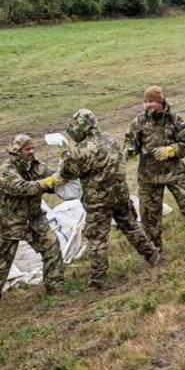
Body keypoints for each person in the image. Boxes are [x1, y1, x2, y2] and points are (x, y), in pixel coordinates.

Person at [59, 108, 161, 288]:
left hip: (98, 200)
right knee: (132, 227)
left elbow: (67, 172)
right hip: (120, 194)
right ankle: (153, 256)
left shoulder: (81, 150)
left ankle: (98, 279)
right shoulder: (110, 139)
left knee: (97, 238)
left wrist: (64, 156)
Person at [125, 86, 185, 249]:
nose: (148, 105)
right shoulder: (139, 121)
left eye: (152, 101)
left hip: (174, 173)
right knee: (149, 216)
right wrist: (130, 150)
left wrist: (171, 150)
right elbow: (129, 141)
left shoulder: (175, 119)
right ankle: (154, 250)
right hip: (148, 177)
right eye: (145, 101)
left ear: (161, 101)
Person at [0, 135, 64, 307]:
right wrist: (48, 182)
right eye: (27, 149)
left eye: (32, 148)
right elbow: (23, 188)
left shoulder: (34, 166)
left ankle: (55, 289)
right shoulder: (6, 169)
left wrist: (65, 172)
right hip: (10, 224)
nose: (31, 152)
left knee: (52, 246)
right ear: (17, 151)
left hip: (34, 219)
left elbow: (54, 177)